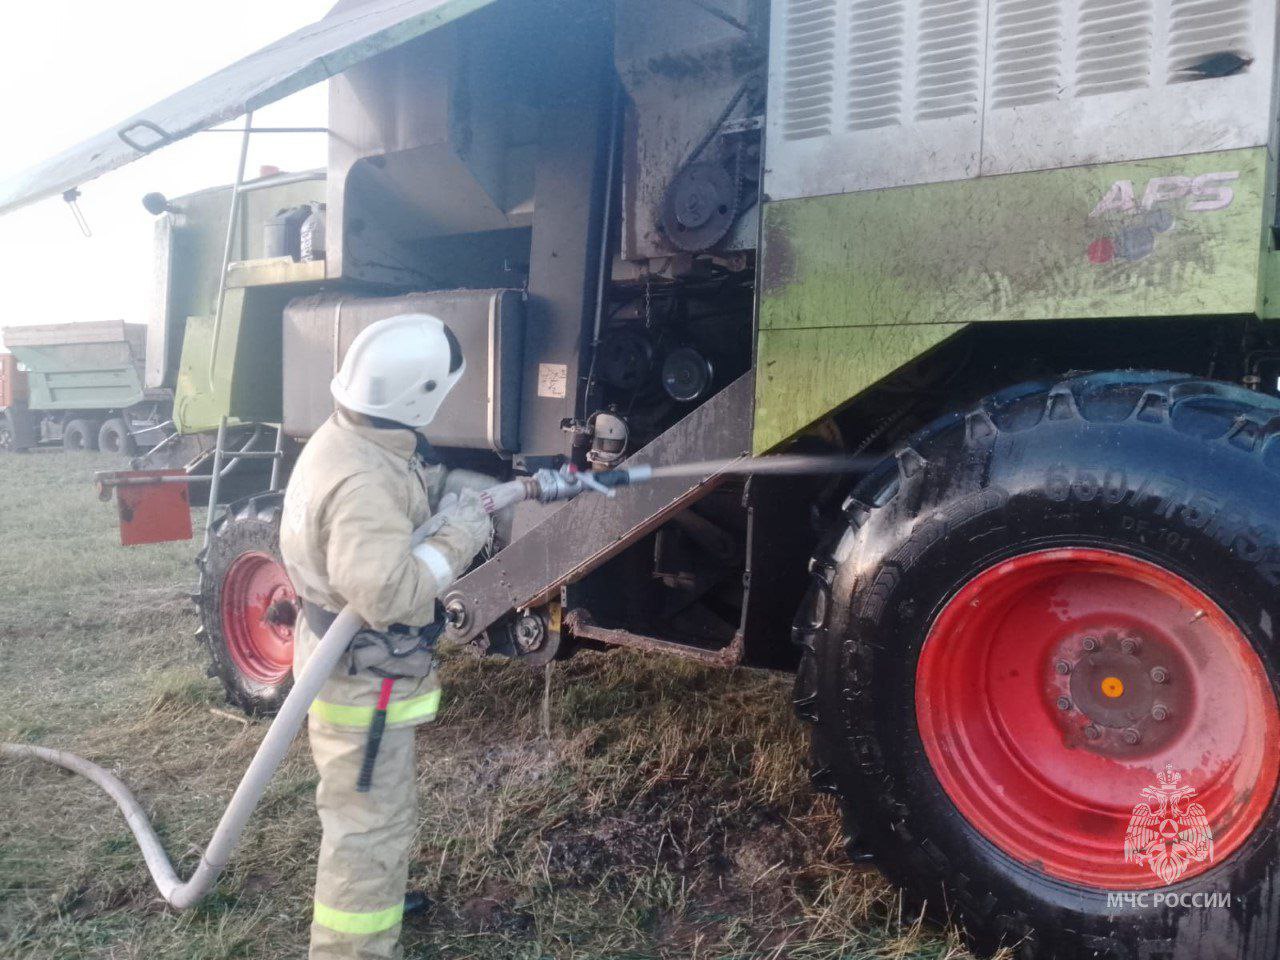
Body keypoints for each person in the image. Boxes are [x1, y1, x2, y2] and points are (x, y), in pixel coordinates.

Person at [280, 313, 496, 960]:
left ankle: (372, 894)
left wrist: (449, 491)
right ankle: (352, 946)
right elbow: (391, 591)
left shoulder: (352, 438)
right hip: (363, 688)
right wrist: (464, 532)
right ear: (417, 399)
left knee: (373, 817)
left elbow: (387, 507)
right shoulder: (361, 484)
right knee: (368, 827)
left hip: (347, 668)